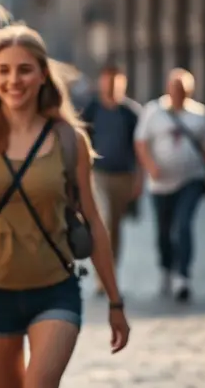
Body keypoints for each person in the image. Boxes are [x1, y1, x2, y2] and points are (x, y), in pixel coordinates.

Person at [0, 17, 129, 388]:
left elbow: (94, 222)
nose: (13, 80)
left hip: (55, 289)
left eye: (24, 70)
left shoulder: (69, 140)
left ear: (42, 75)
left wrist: (114, 300)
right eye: (3, 70)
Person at [134, 68, 205, 302]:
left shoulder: (199, 114)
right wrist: (150, 166)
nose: (177, 94)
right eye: (173, 89)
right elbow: (141, 142)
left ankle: (183, 276)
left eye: (181, 90)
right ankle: (166, 269)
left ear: (189, 92)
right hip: (160, 184)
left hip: (190, 179)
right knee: (163, 232)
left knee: (183, 225)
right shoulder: (154, 111)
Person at [79, 64, 142, 291]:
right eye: (108, 80)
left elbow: (140, 148)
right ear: (101, 83)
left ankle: (110, 271)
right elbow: (81, 140)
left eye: (117, 81)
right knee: (102, 222)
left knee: (115, 226)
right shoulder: (92, 109)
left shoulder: (131, 113)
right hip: (98, 175)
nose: (112, 85)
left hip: (123, 176)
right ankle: (100, 277)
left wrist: (140, 179)